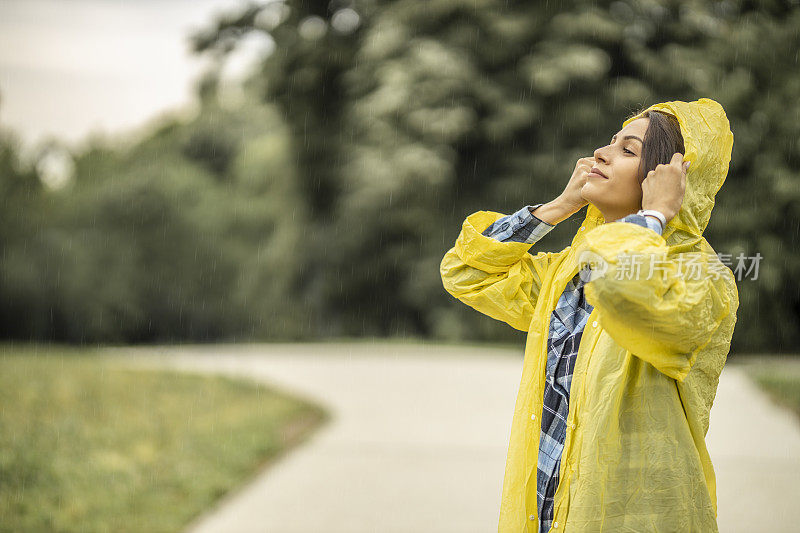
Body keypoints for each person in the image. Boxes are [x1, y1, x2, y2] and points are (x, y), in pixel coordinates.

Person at [440, 98, 739, 532]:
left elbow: (624, 289)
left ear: (670, 180)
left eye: (628, 150)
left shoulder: (700, 276)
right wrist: (559, 206)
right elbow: (466, 272)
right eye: (610, 142)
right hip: (552, 514)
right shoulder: (571, 269)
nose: (599, 153)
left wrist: (654, 215)